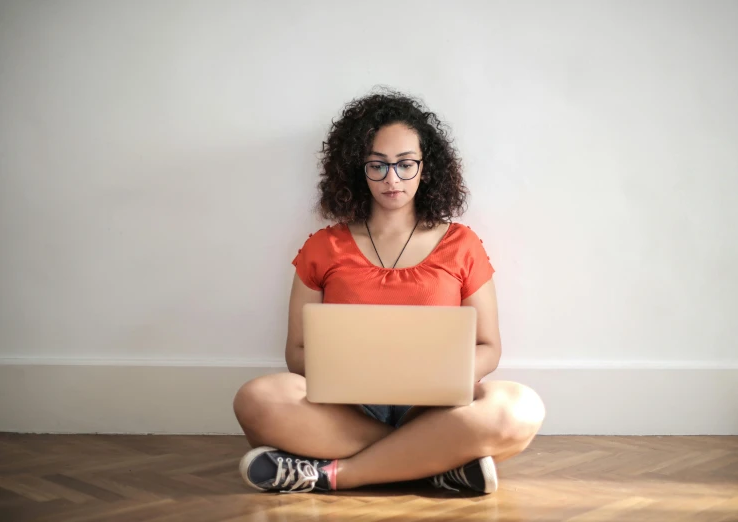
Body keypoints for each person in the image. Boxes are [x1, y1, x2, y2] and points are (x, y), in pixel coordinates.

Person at [233, 89, 545, 494]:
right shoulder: (322, 246)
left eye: (405, 164)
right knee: (257, 398)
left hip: (434, 408)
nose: (392, 179)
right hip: (346, 408)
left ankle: (332, 475)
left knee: (519, 408)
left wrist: (435, 378)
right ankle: (435, 463)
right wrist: (356, 375)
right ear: (357, 170)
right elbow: (296, 353)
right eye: (377, 166)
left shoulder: (462, 244)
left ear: (426, 168)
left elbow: (488, 347)